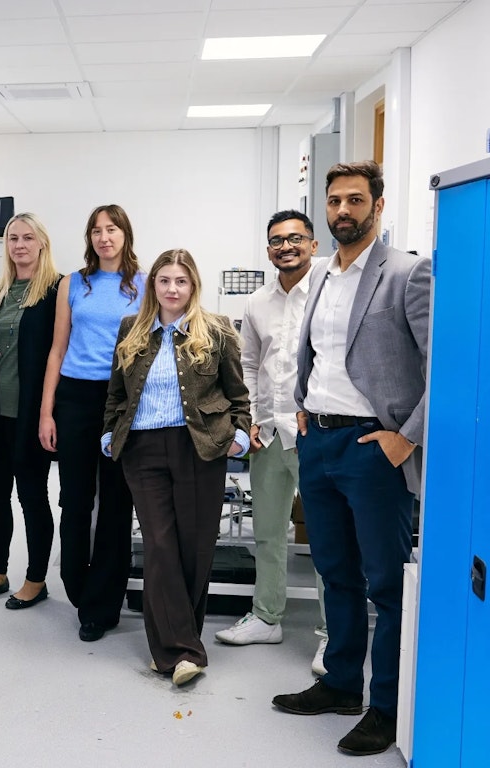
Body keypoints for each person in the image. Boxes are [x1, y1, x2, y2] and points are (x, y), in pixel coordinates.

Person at [273, 161, 431, 757]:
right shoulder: (322, 274)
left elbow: (442, 364)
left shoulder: (408, 273)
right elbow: (317, 353)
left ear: (378, 205)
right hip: (320, 442)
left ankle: (386, 707)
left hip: (374, 448)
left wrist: (405, 438)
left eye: (356, 200)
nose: (343, 210)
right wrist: (303, 406)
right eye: (335, 200)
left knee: (385, 584)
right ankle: (341, 684)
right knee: (335, 572)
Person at [102, 249, 250, 686]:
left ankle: (172, 646)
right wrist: (109, 433)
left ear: (192, 286)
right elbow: (116, 393)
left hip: (200, 447)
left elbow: (238, 394)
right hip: (142, 449)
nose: (172, 289)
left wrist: (240, 435)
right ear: (153, 285)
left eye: (181, 281)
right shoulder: (131, 329)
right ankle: (183, 652)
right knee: (161, 545)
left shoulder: (216, 330)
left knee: (195, 547)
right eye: (164, 280)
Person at [215, 210, 328, 674]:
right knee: (267, 532)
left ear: (313, 244)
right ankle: (266, 617)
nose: (287, 246)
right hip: (269, 434)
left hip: (316, 433)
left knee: (327, 538)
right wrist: (251, 421)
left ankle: (332, 634)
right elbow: (249, 364)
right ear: (268, 250)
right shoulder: (257, 302)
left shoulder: (328, 292)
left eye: (296, 238)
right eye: (278, 240)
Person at [39, 204, 144, 642]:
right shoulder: (72, 283)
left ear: (125, 235)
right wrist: (46, 411)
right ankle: (78, 587)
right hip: (75, 399)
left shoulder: (144, 285)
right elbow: (57, 349)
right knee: (76, 500)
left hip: (120, 400)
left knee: (117, 504)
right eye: (97, 231)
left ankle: (103, 605)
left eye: (112, 229)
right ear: (90, 238)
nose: (104, 237)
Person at [0, 213, 61, 608]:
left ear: (42, 243)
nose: (20, 245)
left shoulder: (56, 290)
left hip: (32, 414)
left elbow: (59, 354)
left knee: (32, 496)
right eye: (13, 238)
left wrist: (51, 414)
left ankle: (36, 579)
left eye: (28, 238)